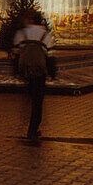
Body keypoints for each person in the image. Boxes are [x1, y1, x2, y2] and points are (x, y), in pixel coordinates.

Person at [13, 11, 55, 144]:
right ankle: (33, 129)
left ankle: (28, 124)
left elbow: (15, 54)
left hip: (26, 72)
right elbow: (51, 56)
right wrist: (52, 73)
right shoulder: (45, 35)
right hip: (39, 73)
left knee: (28, 99)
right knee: (38, 102)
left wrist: (17, 71)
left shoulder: (21, 34)